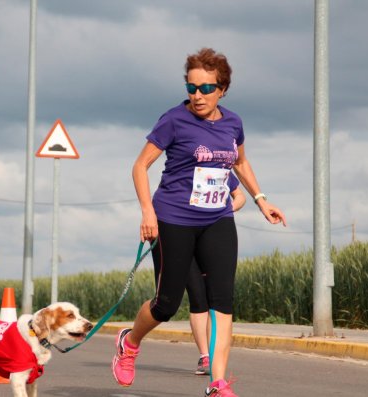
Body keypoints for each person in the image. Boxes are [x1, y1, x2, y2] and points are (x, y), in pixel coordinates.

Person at [111, 48, 286, 397]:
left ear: (222, 89)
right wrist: (148, 212)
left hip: (217, 218)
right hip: (172, 219)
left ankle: (217, 383)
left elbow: (241, 162)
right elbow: (139, 166)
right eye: (192, 87)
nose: (197, 95)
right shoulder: (174, 120)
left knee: (223, 301)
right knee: (166, 304)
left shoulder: (233, 123)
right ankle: (129, 343)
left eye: (206, 89)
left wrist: (260, 199)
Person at [188, 174, 246, 376]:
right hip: (184, 237)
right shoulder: (184, 168)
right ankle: (205, 355)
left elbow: (240, 196)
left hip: (211, 237)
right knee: (197, 298)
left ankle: (212, 358)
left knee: (217, 300)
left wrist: (227, 209)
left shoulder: (222, 170)